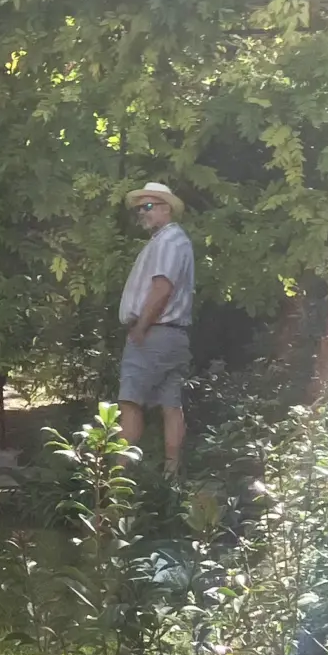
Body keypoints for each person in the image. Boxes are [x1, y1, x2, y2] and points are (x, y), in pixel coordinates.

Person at [117, 182, 197, 472]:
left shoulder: (168, 241)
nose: (142, 212)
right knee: (171, 406)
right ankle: (170, 479)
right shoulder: (172, 241)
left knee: (129, 403)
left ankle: (114, 482)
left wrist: (141, 327)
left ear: (167, 208)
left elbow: (162, 288)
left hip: (154, 333)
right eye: (139, 208)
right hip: (174, 335)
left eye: (148, 206)